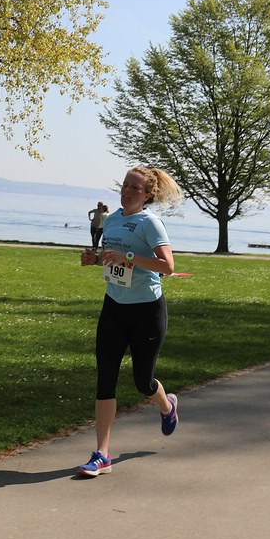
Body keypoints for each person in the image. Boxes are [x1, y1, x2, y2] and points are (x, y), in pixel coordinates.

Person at [76, 166, 183, 477]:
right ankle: (101, 454)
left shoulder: (150, 223)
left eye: (134, 188)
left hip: (146, 311)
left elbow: (168, 266)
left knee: (142, 382)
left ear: (147, 195)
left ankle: (167, 406)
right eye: (124, 185)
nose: (126, 191)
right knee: (105, 377)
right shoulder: (112, 220)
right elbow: (111, 257)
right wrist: (94, 260)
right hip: (114, 307)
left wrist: (130, 259)